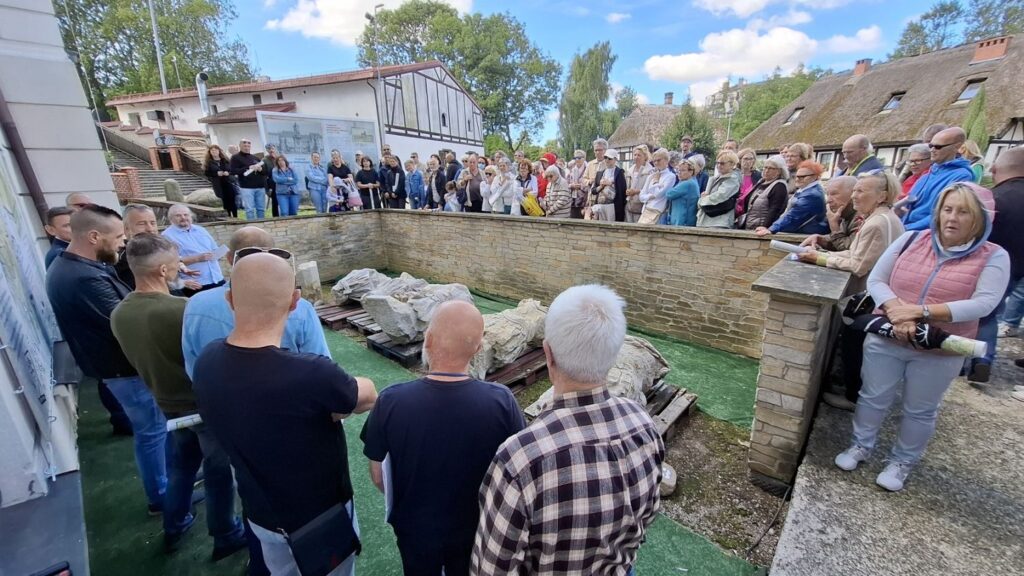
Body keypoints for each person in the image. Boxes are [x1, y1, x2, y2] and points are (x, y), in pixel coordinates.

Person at [192, 252, 378, 576]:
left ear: (230, 300)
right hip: (321, 518)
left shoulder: (206, 361)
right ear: (294, 301)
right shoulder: (311, 374)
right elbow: (366, 394)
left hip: (260, 513)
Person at [472, 285, 664, 574]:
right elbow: (646, 517)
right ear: (613, 354)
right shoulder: (644, 426)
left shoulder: (520, 458)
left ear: (547, 354)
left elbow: (491, 568)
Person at [834, 182, 1008, 491]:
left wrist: (920, 312)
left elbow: (984, 303)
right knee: (873, 396)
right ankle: (860, 445)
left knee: (920, 408)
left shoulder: (994, 255)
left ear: (980, 218)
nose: (952, 218)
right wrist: (895, 308)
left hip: (939, 347)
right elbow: (877, 279)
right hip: (889, 333)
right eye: (947, 209)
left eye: (963, 212)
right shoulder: (912, 239)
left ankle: (901, 462)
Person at [362, 301, 525, 576]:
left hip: (414, 528)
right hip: (477, 528)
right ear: (477, 348)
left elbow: (379, 476)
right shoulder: (502, 402)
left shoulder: (391, 400)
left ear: (428, 340)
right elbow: (518, 470)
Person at [111, 234, 246, 556]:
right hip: (202, 406)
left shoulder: (119, 313)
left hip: (167, 404)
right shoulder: (182, 310)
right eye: (176, 263)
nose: (180, 267)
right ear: (161, 270)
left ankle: (174, 523)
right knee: (219, 472)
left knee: (182, 467)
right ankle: (225, 533)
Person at [46, 205, 166, 509]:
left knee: (152, 431)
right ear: (94, 236)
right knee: (152, 432)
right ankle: (162, 498)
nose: (123, 242)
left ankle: (165, 487)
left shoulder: (74, 267)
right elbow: (127, 322)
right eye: (118, 236)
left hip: (115, 369)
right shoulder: (84, 278)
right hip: (123, 370)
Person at [798, 172, 905, 411]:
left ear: (882, 196)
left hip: (868, 297)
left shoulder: (877, 223)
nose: (855, 196)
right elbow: (854, 254)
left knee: (855, 345)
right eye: (854, 190)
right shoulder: (881, 218)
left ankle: (854, 398)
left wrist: (821, 260)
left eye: (861, 191)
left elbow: (858, 265)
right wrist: (824, 254)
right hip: (876, 294)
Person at [972, 147, 1024, 380]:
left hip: (998, 266)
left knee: (986, 314)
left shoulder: (994, 199)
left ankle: (981, 360)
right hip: (1019, 266)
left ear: (994, 170)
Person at [901, 127, 976, 231]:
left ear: (956, 146)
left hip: (922, 234)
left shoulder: (962, 176)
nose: (932, 150)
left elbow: (943, 214)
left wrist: (906, 229)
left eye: (938, 147)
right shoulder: (930, 172)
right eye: (930, 146)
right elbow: (908, 203)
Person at [162, 204, 225, 296]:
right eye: (178, 215)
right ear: (171, 219)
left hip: (217, 279)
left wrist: (220, 253)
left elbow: (215, 249)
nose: (183, 218)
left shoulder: (201, 230)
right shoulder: (167, 236)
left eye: (186, 215)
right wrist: (197, 258)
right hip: (196, 285)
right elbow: (170, 263)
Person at [755, 161, 829, 236]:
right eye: (797, 176)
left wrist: (772, 229)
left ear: (815, 177)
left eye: (803, 177)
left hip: (807, 234)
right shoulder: (807, 189)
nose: (798, 179)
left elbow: (794, 216)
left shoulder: (812, 194)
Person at [800, 176, 860, 252]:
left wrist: (834, 226)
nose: (828, 200)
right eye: (827, 195)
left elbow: (848, 250)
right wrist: (821, 239)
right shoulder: (845, 214)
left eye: (834, 194)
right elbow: (840, 240)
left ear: (852, 194)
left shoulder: (860, 218)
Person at [740, 155, 789, 230]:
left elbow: (775, 209)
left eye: (771, 168)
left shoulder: (779, 186)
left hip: (762, 228)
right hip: (750, 224)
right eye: (765, 167)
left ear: (779, 171)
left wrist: (764, 227)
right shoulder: (761, 182)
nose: (766, 170)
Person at [697, 150, 741, 229]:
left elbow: (720, 196)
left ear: (732, 164)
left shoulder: (732, 179)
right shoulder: (717, 178)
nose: (719, 165)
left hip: (719, 222)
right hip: (709, 221)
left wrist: (702, 200)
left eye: (722, 163)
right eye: (717, 163)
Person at [230, 139, 268, 220]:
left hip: (260, 187)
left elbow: (265, 172)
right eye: (244, 146)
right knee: (249, 209)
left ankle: (261, 227)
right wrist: (247, 167)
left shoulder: (255, 158)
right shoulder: (235, 158)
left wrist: (260, 169)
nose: (246, 147)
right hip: (247, 188)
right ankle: (252, 229)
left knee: (261, 209)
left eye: (248, 146)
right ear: (240, 146)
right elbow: (233, 171)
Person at [638, 148, 675, 224]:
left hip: (658, 211)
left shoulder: (671, 176)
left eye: (659, 160)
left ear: (666, 160)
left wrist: (655, 182)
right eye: (654, 161)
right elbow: (641, 196)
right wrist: (650, 196)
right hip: (646, 210)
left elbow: (658, 194)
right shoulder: (651, 176)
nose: (656, 163)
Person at [588, 149, 627, 222]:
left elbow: (622, 191)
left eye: (609, 158)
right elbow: (593, 191)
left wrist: (611, 184)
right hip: (600, 205)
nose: (607, 160)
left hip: (612, 206)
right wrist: (601, 186)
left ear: (615, 159)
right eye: (605, 157)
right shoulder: (600, 173)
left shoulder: (620, 173)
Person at [204, 144, 238, 218]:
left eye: (216, 150)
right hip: (219, 184)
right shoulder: (209, 163)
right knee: (225, 202)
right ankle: (228, 216)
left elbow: (232, 170)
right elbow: (206, 173)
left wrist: (228, 173)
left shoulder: (225, 160)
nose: (214, 152)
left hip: (229, 183)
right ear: (210, 152)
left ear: (219, 151)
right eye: (212, 150)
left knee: (232, 200)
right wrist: (216, 174)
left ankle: (235, 217)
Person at [665, 158, 700, 226]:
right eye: (678, 170)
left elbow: (669, 194)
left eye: (683, 170)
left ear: (691, 171)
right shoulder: (691, 182)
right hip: (684, 221)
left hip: (682, 221)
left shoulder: (687, 183)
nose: (679, 173)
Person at [625, 145, 654, 223]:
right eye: (635, 155)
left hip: (642, 207)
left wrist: (636, 191)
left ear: (645, 157)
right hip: (629, 206)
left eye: (639, 155)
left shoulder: (650, 171)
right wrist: (627, 191)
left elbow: (651, 190)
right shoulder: (630, 171)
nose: (636, 157)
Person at [734, 148, 761, 221]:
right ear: (740, 160)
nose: (748, 161)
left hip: (749, 209)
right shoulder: (734, 174)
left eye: (751, 159)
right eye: (745, 159)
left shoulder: (758, 176)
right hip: (734, 208)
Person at [262, 145, 281, 218]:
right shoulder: (264, 160)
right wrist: (267, 189)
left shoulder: (279, 158)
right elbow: (264, 175)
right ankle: (276, 218)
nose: (271, 150)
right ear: (267, 150)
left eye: (272, 148)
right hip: (272, 184)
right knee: (275, 202)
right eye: (269, 149)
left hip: (282, 183)